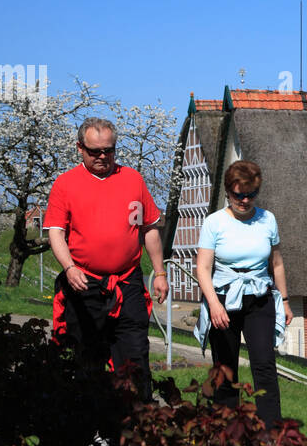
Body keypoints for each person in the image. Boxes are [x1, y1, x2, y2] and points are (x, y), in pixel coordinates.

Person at [43, 117, 168, 403]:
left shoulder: (132, 180)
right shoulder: (65, 185)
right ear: (80, 148)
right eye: (94, 151)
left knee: (135, 354)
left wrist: (159, 272)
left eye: (108, 151)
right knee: (87, 358)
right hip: (83, 283)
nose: (102, 157)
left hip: (127, 282)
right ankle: (93, 427)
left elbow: (148, 228)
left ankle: (138, 427)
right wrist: (69, 268)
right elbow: (56, 233)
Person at [194, 160, 291, 427]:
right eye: (239, 195)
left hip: (258, 298)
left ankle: (271, 430)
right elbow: (203, 268)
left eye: (251, 195)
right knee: (225, 367)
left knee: (264, 364)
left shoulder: (267, 219)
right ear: (228, 191)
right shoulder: (214, 223)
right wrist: (214, 305)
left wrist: (284, 301)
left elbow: (277, 263)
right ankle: (225, 429)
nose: (245, 200)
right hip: (223, 299)